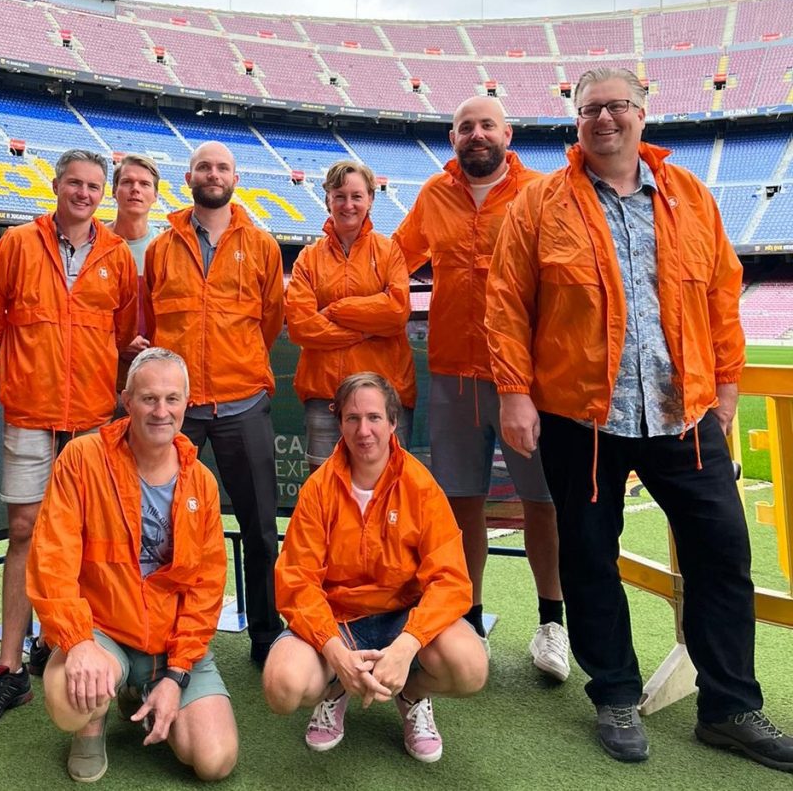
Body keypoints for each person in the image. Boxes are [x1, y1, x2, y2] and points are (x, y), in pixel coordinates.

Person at [487, 66, 793, 771]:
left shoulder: (690, 196)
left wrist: (725, 389)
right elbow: (506, 303)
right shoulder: (540, 204)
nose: (604, 119)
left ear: (642, 113)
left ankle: (730, 707)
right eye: (590, 108)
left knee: (723, 552)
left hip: (683, 412)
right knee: (589, 556)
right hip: (581, 417)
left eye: (616, 106)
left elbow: (722, 297)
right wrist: (514, 391)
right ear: (576, 122)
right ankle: (616, 694)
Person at [0, 148, 137, 731]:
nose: (84, 194)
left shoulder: (117, 255)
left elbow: (122, 337)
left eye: (94, 186)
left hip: (91, 420)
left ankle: (65, 642)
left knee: (86, 538)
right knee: (23, 531)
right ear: (57, 185)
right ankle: (9, 668)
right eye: (75, 183)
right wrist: (1, 381)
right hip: (30, 413)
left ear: (103, 194)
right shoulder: (17, 245)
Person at [393, 96, 568, 679]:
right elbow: (394, 258)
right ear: (453, 137)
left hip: (525, 378)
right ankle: (468, 618)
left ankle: (552, 622)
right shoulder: (433, 195)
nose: (476, 134)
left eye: (486, 125)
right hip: (452, 374)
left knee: (542, 502)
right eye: (465, 126)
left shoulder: (541, 191)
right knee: (460, 503)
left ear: (507, 134)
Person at [26, 348, 238, 783]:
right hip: (104, 630)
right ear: (127, 400)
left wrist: (176, 675)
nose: (161, 411)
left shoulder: (201, 482)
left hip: (169, 642)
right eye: (149, 399)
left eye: (172, 399)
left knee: (214, 761)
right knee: (67, 701)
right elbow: (52, 559)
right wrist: (78, 642)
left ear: (186, 403)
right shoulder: (82, 458)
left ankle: (141, 689)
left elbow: (206, 588)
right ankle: (91, 725)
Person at [263, 373, 487, 762]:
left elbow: (450, 580)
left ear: (393, 422)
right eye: (352, 418)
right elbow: (297, 581)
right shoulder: (318, 489)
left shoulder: (420, 486)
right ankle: (336, 688)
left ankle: (412, 694)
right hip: (339, 619)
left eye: (374, 418)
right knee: (281, 688)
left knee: (470, 668)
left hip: (403, 618)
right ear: (339, 423)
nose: (363, 430)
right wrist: (336, 653)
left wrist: (407, 644)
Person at [143, 140, 285, 666]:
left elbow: (270, 320)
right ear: (189, 178)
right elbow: (152, 323)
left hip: (242, 402)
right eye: (204, 166)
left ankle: (267, 634)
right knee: (166, 529)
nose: (213, 174)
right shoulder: (162, 248)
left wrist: (238, 365)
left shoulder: (263, 245)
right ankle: (164, 633)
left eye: (222, 167)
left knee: (260, 527)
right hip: (176, 413)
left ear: (235, 178)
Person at [285, 160, 415, 467]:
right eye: (339, 196)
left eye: (356, 196)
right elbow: (301, 326)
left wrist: (334, 311)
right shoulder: (308, 258)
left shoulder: (389, 251)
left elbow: (396, 312)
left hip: (384, 394)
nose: (348, 205)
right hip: (325, 394)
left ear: (370, 198)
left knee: (389, 484)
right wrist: (366, 329)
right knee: (325, 485)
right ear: (327, 199)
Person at [108, 153, 162, 393]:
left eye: (144, 184)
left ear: (155, 195)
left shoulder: (165, 247)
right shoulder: (93, 243)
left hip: (152, 369)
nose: (135, 189)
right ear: (114, 191)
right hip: (99, 368)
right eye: (127, 182)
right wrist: (119, 340)